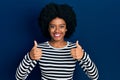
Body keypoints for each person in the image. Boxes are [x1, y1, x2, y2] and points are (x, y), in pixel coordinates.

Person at [15, 3, 99, 80]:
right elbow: (19, 77)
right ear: (48, 28)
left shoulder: (75, 50)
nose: (57, 31)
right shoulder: (39, 49)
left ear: (67, 28)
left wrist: (83, 56)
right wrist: (30, 56)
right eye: (52, 26)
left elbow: (94, 76)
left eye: (61, 26)